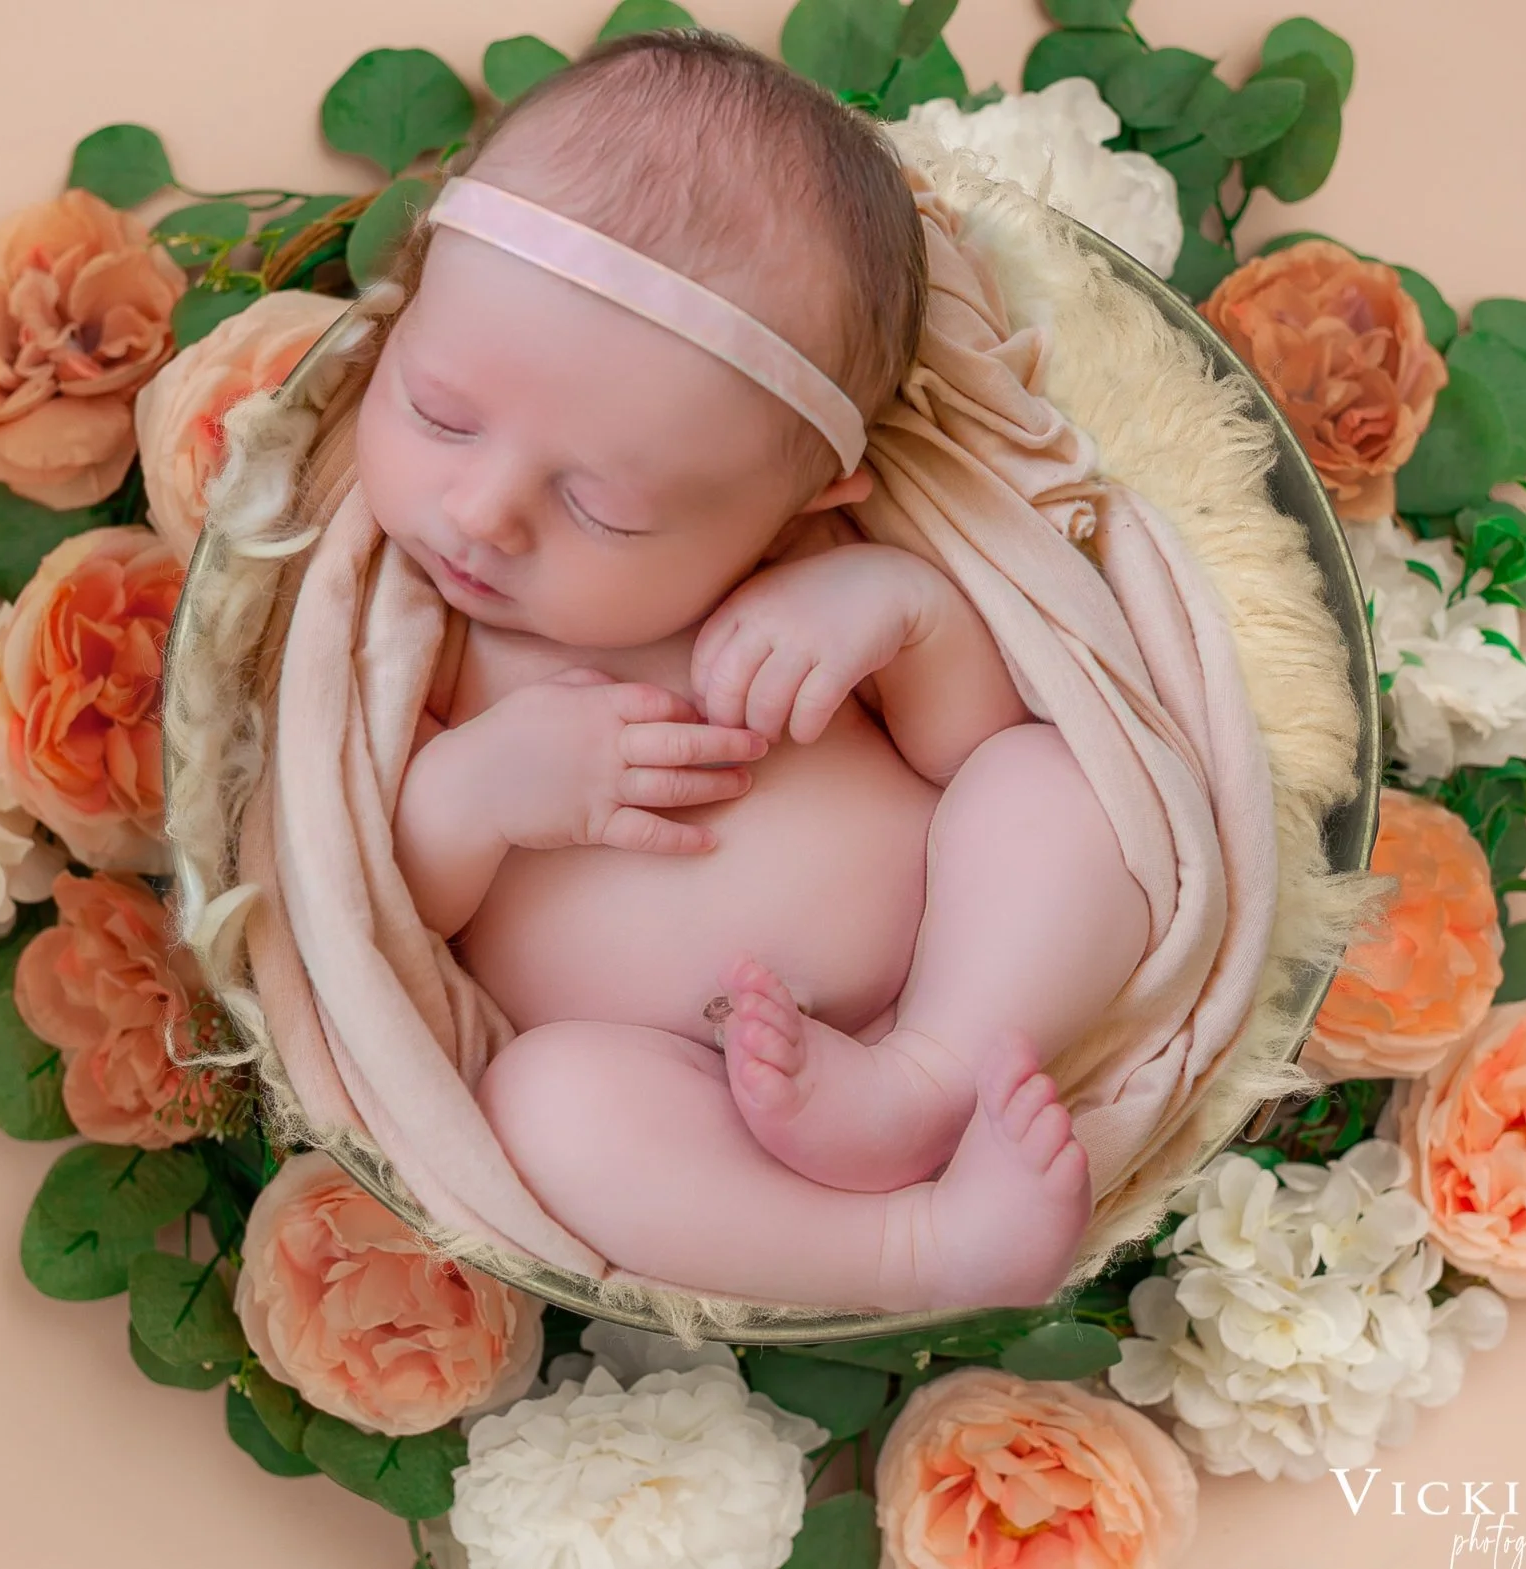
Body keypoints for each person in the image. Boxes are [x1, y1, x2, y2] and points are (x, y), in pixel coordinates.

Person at [370, 30, 1146, 1311]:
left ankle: (924, 1084)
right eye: (436, 415)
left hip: (958, 970)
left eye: (606, 508)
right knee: (543, 1107)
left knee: (1054, 779)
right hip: (670, 1075)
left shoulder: (817, 566)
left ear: (799, 499)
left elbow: (962, 751)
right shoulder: (412, 638)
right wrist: (473, 790)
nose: (484, 512)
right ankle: (912, 1251)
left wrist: (907, 613)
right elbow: (385, 913)